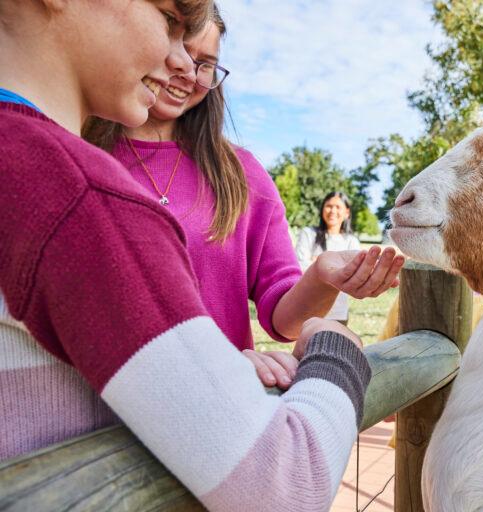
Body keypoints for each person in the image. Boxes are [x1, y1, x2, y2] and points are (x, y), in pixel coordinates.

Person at [0, 2, 393, 509]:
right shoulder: (84, 194)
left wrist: (314, 284)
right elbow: (286, 484)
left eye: (204, 60)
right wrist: (338, 343)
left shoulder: (239, 173)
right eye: (169, 22)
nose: (182, 64)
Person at [83, 6, 404, 389]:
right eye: (181, 48)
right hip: (99, 409)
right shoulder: (77, 151)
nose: (188, 71)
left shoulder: (243, 173)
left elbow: (283, 320)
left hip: (221, 406)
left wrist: (321, 276)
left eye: (206, 64)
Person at [295, 192, 362, 325]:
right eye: (329, 206)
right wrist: (337, 269)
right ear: (322, 209)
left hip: (338, 313)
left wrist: (317, 262)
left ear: (347, 213)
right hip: (308, 310)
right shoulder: (308, 234)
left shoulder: (351, 241)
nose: (332, 211)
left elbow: (354, 272)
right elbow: (299, 266)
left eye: (338, 207)